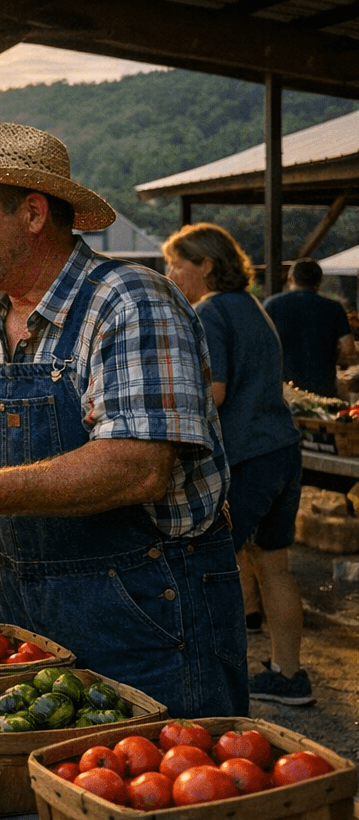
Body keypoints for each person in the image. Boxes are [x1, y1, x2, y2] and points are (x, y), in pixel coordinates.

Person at [0, 120, 247, 718]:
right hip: (25, 607)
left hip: (148, 606)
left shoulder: (129, 300)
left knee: (158, 791)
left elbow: (137, 469)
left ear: (32, 213)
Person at [162, 223, 311, 706]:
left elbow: (215, 390)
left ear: (206, 265)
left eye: (176, 264)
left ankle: (209, 679)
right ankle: (289, 674)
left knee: (211, 566)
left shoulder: (210, 311)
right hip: (283, 449)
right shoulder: (254, 307)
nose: (170, 273)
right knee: (273, 566)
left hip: (247, 454)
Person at [263, 258, 355, 398]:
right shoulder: (334, 307)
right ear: (319, 281)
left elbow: (259, 346)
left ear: (291, 279)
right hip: (323, 387)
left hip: (284, 388)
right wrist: (336, 357)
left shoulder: (272, 305)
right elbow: (348, 347)